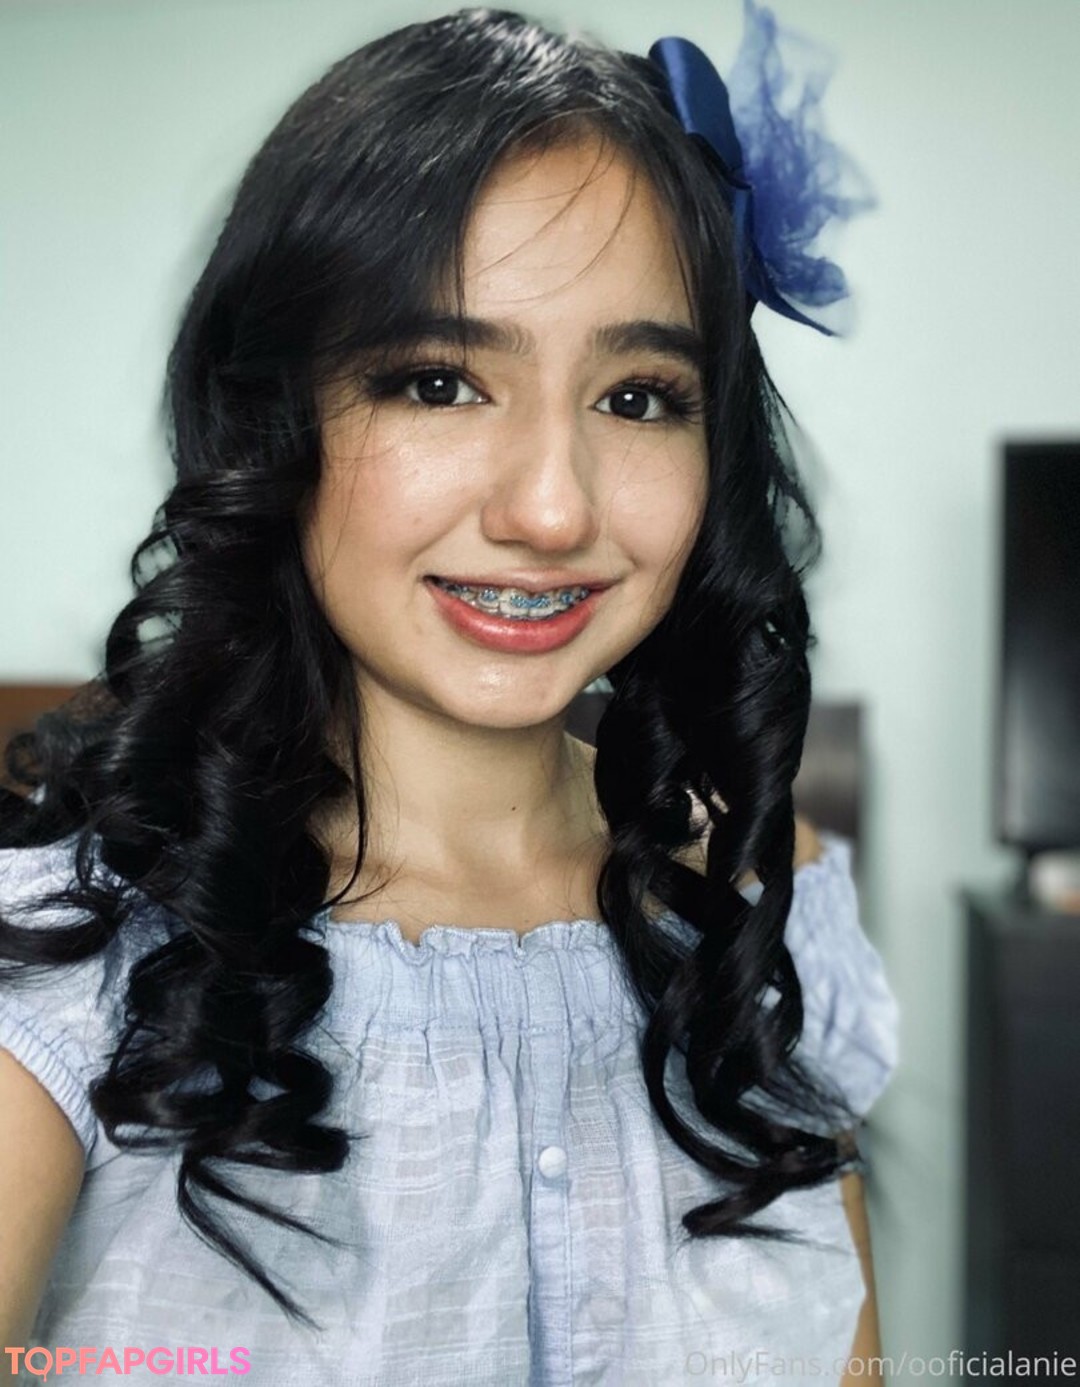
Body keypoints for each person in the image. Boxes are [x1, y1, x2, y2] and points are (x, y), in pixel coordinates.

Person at [0, 5, 899, 1383]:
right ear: (276, 417)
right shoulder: (61, 964)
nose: (551, 510)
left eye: (639, 397)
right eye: (438, 382)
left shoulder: (757, 921)